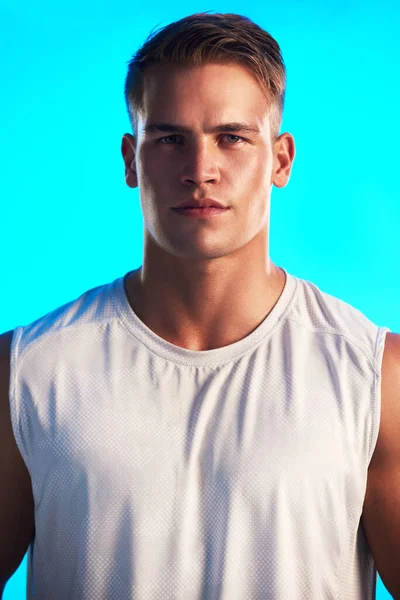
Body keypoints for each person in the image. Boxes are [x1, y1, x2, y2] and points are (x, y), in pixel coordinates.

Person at [1, 11, 399, 600]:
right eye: (169, 139)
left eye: (232, 138)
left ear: (282, 160)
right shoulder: (27, 371)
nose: (200, 170)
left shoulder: (375, 377)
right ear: (131, 160)